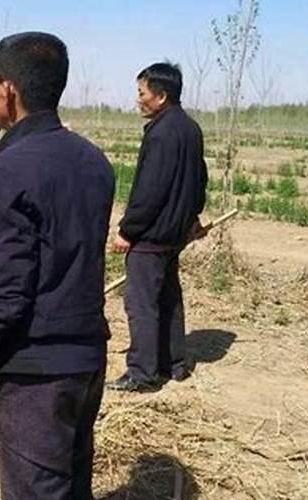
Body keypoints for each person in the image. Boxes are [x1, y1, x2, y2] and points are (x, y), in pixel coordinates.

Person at [0, 32, 115, 499]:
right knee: (72, 486)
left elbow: (7, 292)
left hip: (37, 373)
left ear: (7, 89)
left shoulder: (8, 171)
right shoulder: (95, 162)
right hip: (87, 359)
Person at [108, 62, 208, 393]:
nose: (138, 99)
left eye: (142, 93)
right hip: (174, 233)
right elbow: (199, 180)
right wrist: (192, 217)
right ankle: (174, 363)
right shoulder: (190, 128)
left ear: (161, 96)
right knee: (168, 298)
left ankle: (143, 373)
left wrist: (128, 229)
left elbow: (150, 190)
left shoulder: (162, 132)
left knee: (142, 304)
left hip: (152, 236)